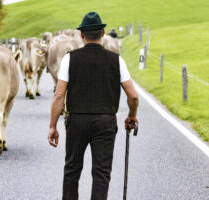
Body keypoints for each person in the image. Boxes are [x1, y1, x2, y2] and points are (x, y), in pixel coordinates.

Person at [48, 11, 139, 200]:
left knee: (72, 170)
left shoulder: (69, 58)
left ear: (81, 35)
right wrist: (132, 115)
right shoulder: (117, 60)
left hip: (76, 121)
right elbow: (133, 96)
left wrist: (52, 125)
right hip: (105, 122)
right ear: (103, 33)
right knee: (101, 173)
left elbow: (59, 96)